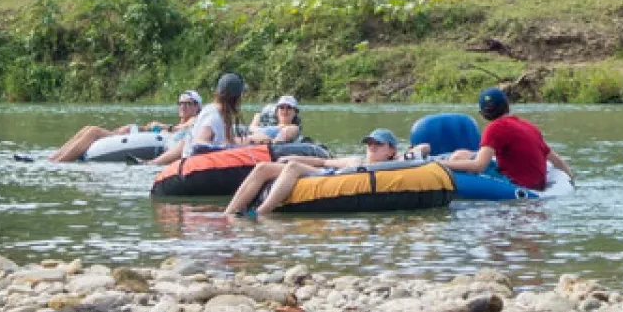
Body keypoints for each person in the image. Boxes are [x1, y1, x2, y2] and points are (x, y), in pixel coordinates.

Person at [224, 127, 427, 217]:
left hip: (333, 180)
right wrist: (295, 157)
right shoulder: (355, 160)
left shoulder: (395, 164)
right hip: (327, 176)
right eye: (369, 144)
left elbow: (424, 148)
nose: (371, 147)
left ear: (391, 150)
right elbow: (323, 161)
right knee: (263, 167)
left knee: (292, 168)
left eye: (378, 144)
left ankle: (261, 213)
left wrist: (403, 155)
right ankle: (229, 212)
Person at [439, 87, 574, 191]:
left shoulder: (494, 128)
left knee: (457, 157)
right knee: (464, 154)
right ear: (508, 106)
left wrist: (440, 164)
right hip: (537, 184)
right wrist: (570, 178)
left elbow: (478, 166)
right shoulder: (529, 126)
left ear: (482, 114)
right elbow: (556, 160)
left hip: (516, 184)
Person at [47, 91, 201, 163]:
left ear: (197, 107)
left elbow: (183, 129)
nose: (183, 106)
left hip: (157, 145)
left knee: (93, 131)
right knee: (87, 129)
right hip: (142, 139)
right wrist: (141, 128)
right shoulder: (179, 123)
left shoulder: (195, 120)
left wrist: (164, 126)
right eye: (180, 103)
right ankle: (54, 157)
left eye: (188, 103)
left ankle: (58, 162)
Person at [150, 73, 246, 166]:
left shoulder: (225, 115)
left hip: (206, 163)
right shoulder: (213, 115)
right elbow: (200, 142)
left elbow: (229, 142)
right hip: (194, 165)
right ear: (235, 98)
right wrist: (224, 150)